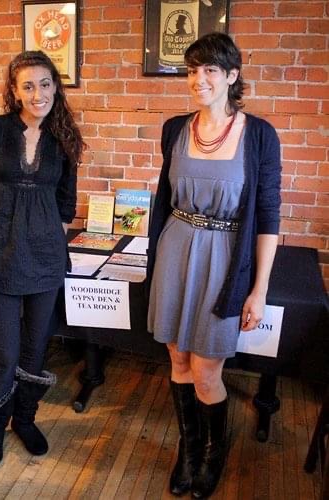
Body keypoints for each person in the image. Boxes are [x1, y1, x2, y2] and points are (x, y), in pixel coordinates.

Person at [146, 32, 281, 498]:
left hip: (225, 260)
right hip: (175, 251)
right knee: (178, 359)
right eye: (192, 70)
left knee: (206, 371)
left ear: (231, 76)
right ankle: (188, 451)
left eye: (210, 70)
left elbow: (268, 216)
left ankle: (213, 454)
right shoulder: (174, 129)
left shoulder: (259, 135)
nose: (198, 79)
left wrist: (259, 290)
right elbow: (166, 199)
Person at [0, 50, 84, 466]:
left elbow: (66, 203)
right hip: (1, 260)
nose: (38, 94)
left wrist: (46, 238)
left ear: (55, 87)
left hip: (47, 261)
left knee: (35, 352)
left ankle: (25, 420)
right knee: (5, 356)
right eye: (28, 86)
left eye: (45, 84)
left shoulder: (63, 136)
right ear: (14, 92)